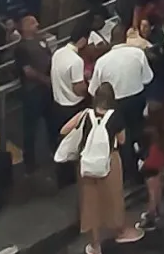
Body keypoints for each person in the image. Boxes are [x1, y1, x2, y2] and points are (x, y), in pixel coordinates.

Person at [60, 83, 144, 254]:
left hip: (86, 163)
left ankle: (95, 244)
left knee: (90, 201)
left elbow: (64, 130)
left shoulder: (85, 114)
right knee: (113, 198)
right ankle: (120, 232)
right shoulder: (116, 117)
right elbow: (121, 140)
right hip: (109, 161)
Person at [88, 29, 153, 182]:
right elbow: (147, 78)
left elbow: (94, 90)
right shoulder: (137, 54)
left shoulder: (102, 61)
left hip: (116, 103)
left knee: (123, 138)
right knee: (138, 130)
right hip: (136, 99)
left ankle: (129, 173)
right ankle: (144, 163)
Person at [14, 15, 54, 179]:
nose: (37, 24)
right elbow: (27, 71)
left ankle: (54, 150)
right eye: (32, 23)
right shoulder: (21, 48)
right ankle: (29, 163)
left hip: (46, 90)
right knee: (30, 128)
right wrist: (46, 80)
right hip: (33, 91)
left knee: (52, 121)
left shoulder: (41, 41)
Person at [51, 25, 91, 188]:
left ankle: (61, 175)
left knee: (61, 141)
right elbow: (78, 88)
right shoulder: (76, 61)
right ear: (82, 40)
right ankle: (70, 177)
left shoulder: (58, 53)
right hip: (72, 107)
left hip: (57, 103)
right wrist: (88, 85)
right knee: (74, 143)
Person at [136, 106, 164, 231]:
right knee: (158, 186)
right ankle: (157, 212)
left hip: (150, 161)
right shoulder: (163, 132)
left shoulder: (148, 131)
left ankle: (151, 218)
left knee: (152, 190)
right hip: (159, 158)